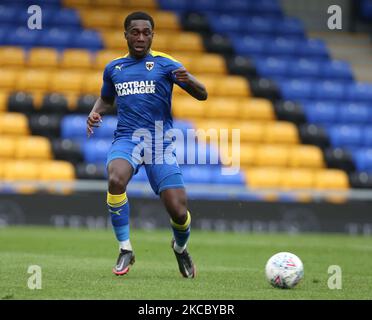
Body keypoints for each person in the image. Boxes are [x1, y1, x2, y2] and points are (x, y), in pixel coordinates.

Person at [86, 11, 208, 278]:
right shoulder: (114, 68)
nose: (140, 37)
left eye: (146, 32)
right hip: (127, 138)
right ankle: (125, 248)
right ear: (126, 35)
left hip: (159, 143)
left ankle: (180, 247)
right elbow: (106, 99)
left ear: (153, 35)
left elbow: (203, 94)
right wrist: (96, 112)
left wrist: (191, 82)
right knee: (116, 179)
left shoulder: (166, 64)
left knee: (178, 209)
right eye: (135, 32)